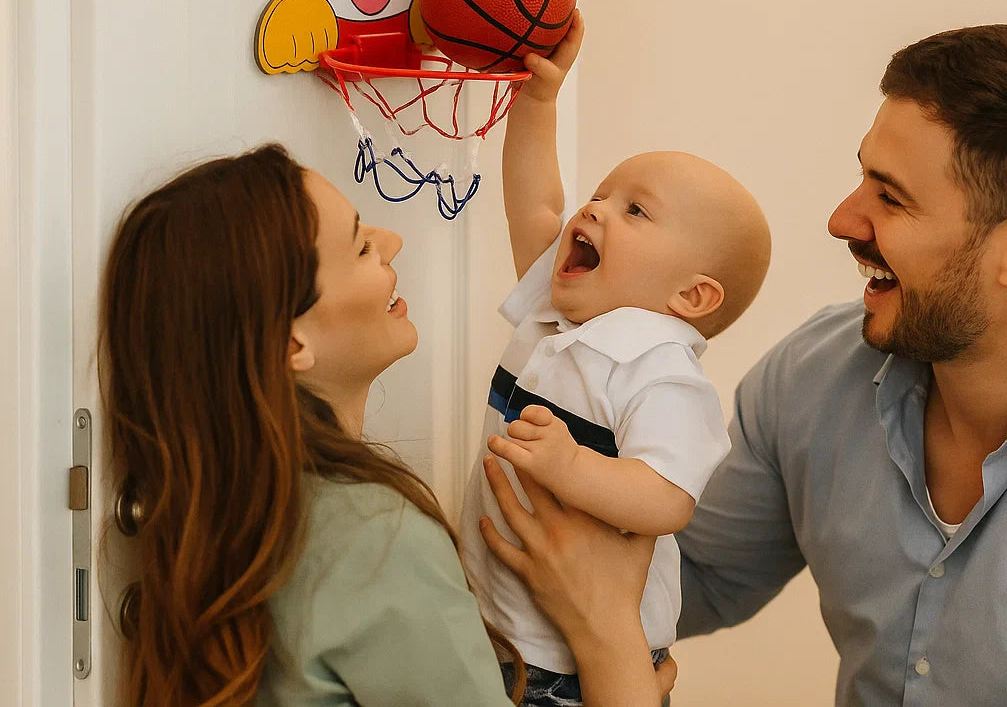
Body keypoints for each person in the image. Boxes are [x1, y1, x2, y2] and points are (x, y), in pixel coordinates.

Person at [99, 144, 677, 707]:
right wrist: (617, 657)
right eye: (359, 246)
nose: (393, 241)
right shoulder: (373, 539)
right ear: (292, 342)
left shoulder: (226, 518)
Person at [674, 23, 1007, 705]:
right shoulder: (813, 376)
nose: (842, 219)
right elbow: (698, 579)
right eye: (862, 176)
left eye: (890, 198)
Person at [459, 12, 772, 706]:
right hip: (496, 624)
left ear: (691, 295)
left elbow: (666, 498)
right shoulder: (561, 311)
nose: (593, 210)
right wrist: (538, 103)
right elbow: (538, 207)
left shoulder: (660, 372)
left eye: (636, 212)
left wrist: (572, 465)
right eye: (601, 194)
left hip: (566, 665)